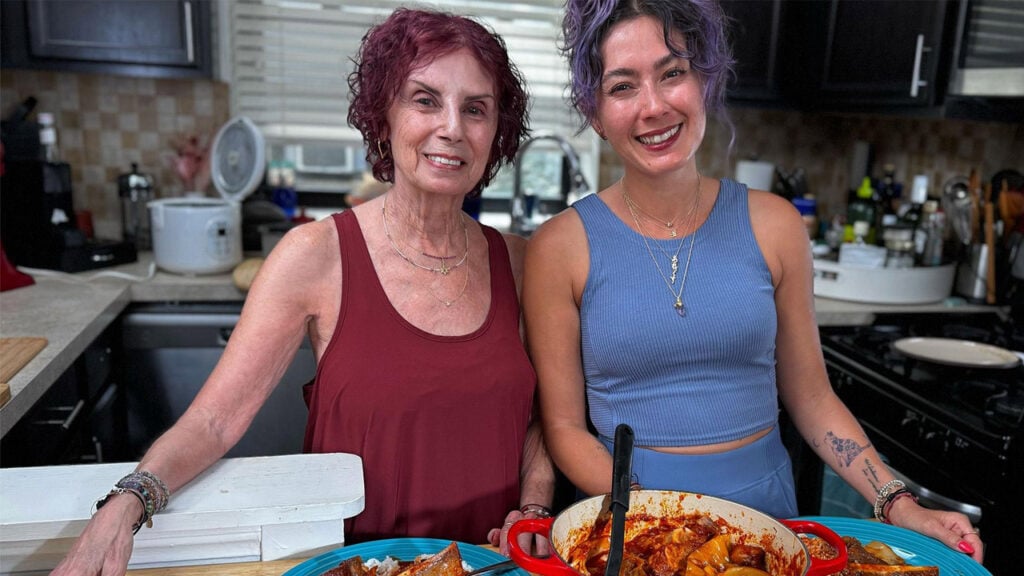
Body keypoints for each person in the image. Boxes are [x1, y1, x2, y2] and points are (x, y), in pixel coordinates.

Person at [53, 8, 553, 575]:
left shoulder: (520, 262)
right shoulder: (314, 256)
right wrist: (126, 504)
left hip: (489, 564)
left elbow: (541, 415)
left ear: (496, 132)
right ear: (383, 115)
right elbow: (215, 420)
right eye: (424, 99)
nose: (452, 128)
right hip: (354, 566)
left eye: (476, 109)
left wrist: (533, 506)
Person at [523, 0, 984, 566]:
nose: (653, 106)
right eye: (622, 87)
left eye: (673, 74)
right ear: (595, 112)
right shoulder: (558, 247)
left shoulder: (775, 224)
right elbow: (565, 426)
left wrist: (898, 502)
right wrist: (668, 526)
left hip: (770, 521)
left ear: (706, 80)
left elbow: (812, 398)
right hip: (635, 527)